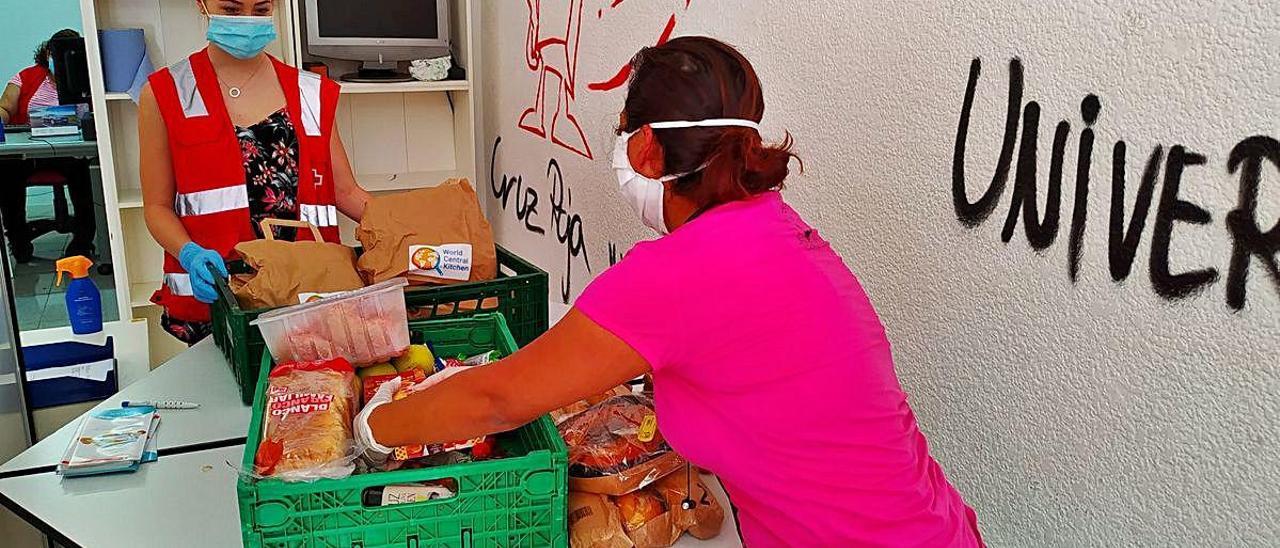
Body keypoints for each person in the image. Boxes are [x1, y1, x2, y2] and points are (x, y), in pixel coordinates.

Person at [357, 37, 983, 546]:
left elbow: (498, 400)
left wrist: (376, 427)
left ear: (648, 145)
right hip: (932, 525)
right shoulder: (777, 227)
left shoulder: (676, 273)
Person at [138, 0, 370, 344]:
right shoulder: (165, 93)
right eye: (231, 10)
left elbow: (346, 192)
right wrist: (189, 253)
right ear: (202, 5)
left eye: (260, 10)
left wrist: (407, 228)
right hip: (220, 302)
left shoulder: (310, 91)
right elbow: (157, 207)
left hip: (308, 298)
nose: (247, 21)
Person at [0, 29, 97, 262]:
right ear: (47, 53)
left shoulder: (87, 77)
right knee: (6, 173)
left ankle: (83, 240)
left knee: (87, 174)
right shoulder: (26, 76)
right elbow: (5, 106)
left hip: (71, 151)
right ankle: (18, 239)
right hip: (29, 150)